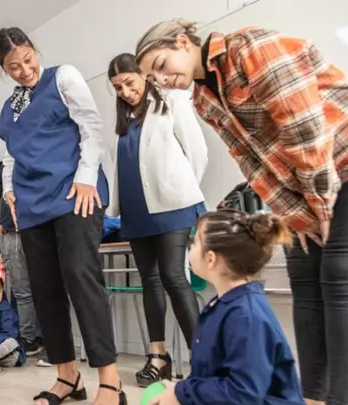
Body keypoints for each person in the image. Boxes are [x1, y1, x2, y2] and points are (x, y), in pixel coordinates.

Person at [135, 20, 348, 405]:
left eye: (161, 65)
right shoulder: (203, 100)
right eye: (153, 79)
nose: (162, 79)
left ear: (182, 42)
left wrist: (319, 204)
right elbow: (253, 163)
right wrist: (295, 213)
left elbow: (304, 130)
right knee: (303, 274)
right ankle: (312, 398)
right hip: (309, 180)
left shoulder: (250, 48)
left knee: (341, 271)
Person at [0, 27, 124, 405]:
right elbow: (11, 155)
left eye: (28, 59)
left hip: (74, 193)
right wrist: (9, 191)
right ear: (4, 69)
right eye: (14, 67)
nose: (24, 70)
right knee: (45, 289)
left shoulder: (63, 77)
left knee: (81, 278)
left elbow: (91, 127)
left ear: (35, 51)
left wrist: (86, 178)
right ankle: (68, 377)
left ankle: (111, 382)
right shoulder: (9, 107)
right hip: (31, 204)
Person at [106, 53, 207, 386]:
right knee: (149, 281)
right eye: (118, 88)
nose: (125, 92)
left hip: (172, 206)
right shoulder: (124, 118)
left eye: (129, 83)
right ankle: (158, 356)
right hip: (136, 210)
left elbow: (197, 151)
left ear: (143, 75)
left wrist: (183, 189)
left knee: (173, 276)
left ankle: (202, 360)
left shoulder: (171, 101)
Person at [149, 211, 304, 405]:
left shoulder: (246, 317)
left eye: (195, 243)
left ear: (211, 258)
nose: (191, 247)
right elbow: (213, 374)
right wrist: (180, 391)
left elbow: (243, 392)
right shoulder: (222, 306)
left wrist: (183, 393)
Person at [0, 161, 42, 357]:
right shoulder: (5, 165)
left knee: (44, 288)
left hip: (36, 230)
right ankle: (27, 339)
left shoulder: (36, 158)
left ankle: (39, 338)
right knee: (20, 291)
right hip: (10, 233)